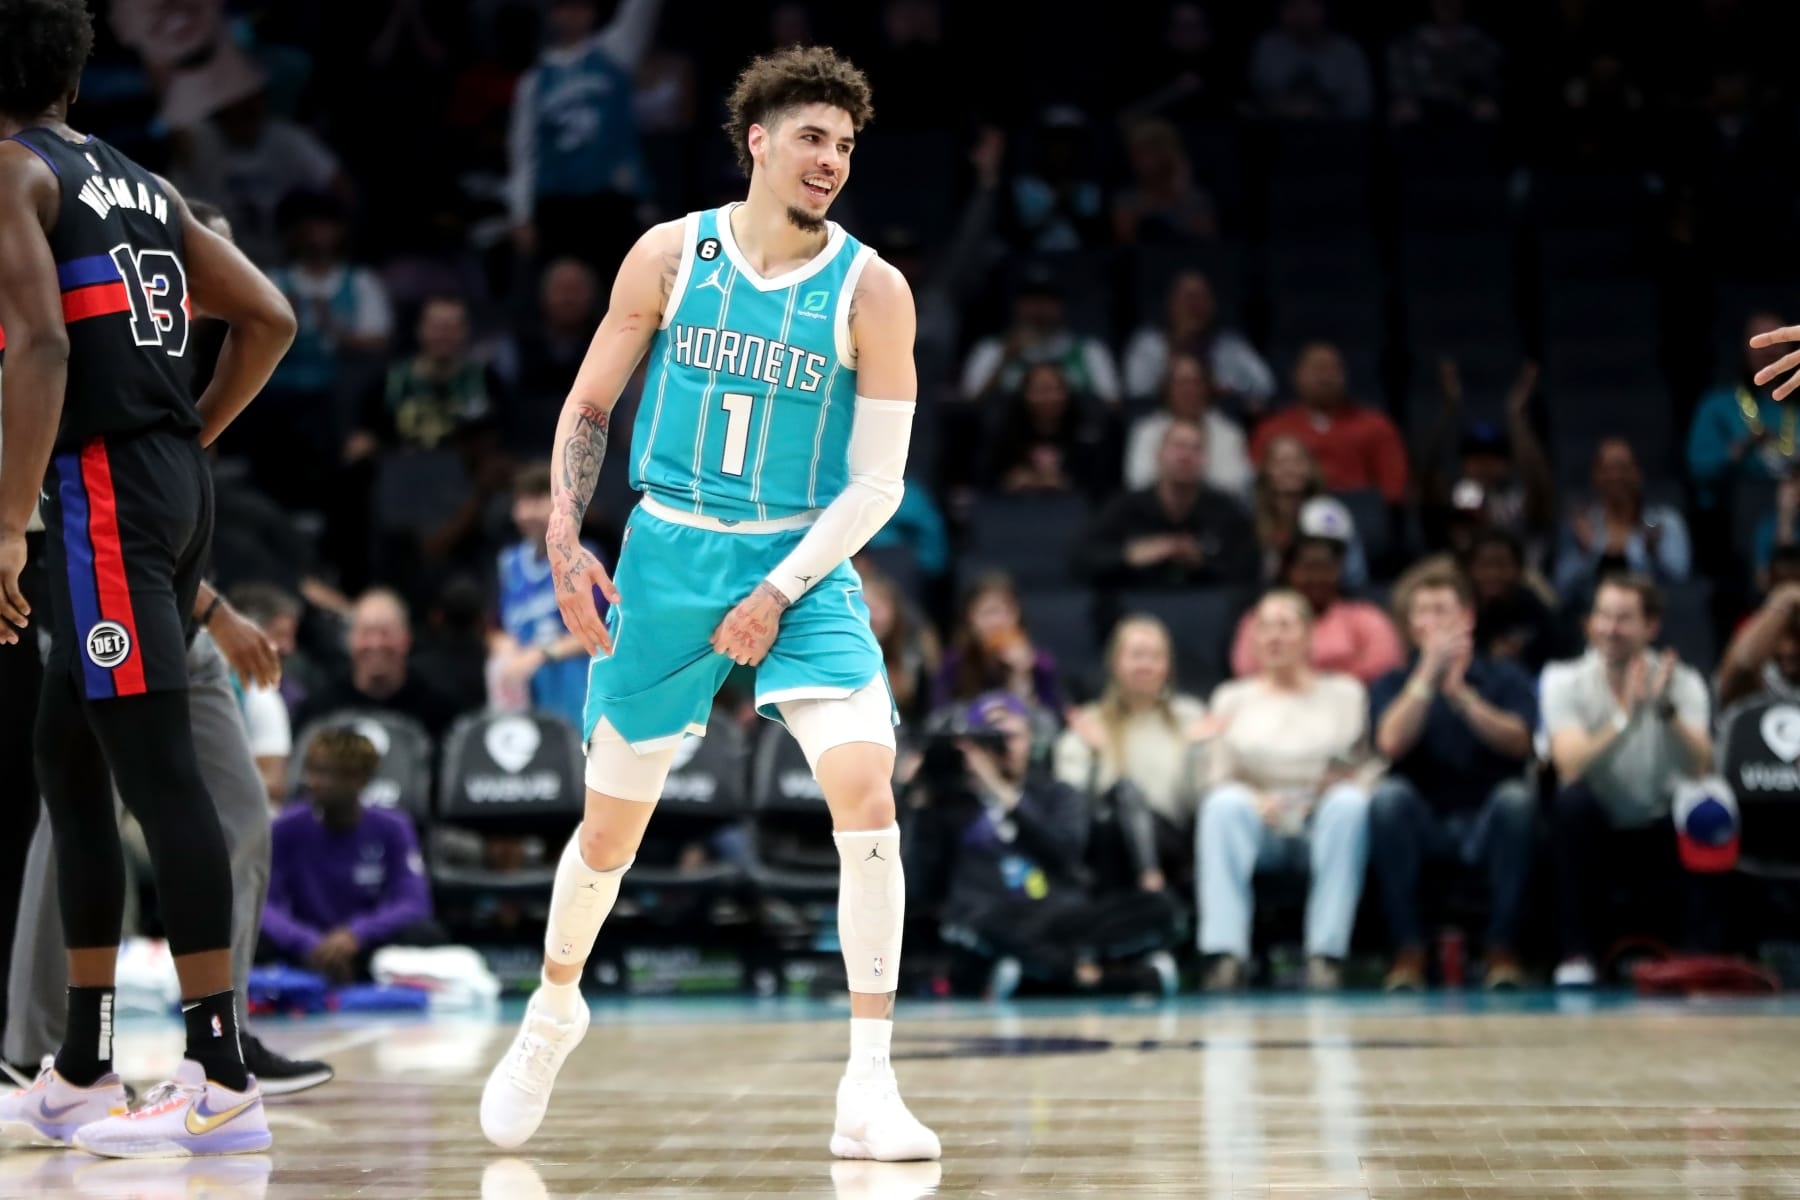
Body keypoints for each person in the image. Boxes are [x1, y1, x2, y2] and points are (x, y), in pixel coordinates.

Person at [478, 46, 939, 1161]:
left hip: (802, 560)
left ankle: (868, 1086)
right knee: (610, 825)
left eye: (846, 143)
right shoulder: (669, 254)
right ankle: (553, 1007)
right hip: (668, 553)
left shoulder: (873, 289)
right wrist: (559, 527)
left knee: (866, 791)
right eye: (813, 137)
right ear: (760, 142)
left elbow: (878, 483)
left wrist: (779, 590)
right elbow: (589, 404)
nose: (831, 159)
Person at [0, 0, 296, 1156]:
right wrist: (189, 438)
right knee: (66, 762)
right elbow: (265, 316)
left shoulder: (12, 173)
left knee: (157, 778)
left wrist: (9, 522)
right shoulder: (137, 181)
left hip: (98, 495)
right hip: (158, 485)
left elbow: (44, 346)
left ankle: (220, 1079)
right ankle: (78, 1065)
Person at [904, 692, 1183, 998]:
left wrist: (1003, 791)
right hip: (992, 920)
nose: (1004, 746)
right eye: (992, 737)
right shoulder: (950, 805)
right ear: (970, 745)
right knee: (971, 927)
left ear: (1031, 740)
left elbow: (1065, 855)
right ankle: (1107, 977)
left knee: (1161, 907)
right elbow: (918, 884)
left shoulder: (1057, 795)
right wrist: (917, 796)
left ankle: (1035, 976)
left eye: (1012, 736)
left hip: (1057, 918)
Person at [1367, 564, 1538, 992]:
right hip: (1424, 822)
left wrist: (1462, 695)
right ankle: (1408, 952)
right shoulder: (1393, 682)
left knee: (1518, 800)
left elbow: (1519, 742)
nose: (1434, 622)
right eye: (1422, 613)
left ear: (1467, 618)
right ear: (1410, 626)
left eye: (1443, 610)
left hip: (1488, 820)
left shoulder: (1505, 677)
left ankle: (1502, 950)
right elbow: (1390, 742)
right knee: (1387, 799)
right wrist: (1427, 676)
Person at [1196, 591, 1373, 991]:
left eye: (1286, 625)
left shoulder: (1346, 694)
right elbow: (1216, 776)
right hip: (1260, 822)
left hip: (1322, 818)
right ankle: (1225, 955)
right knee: (1221, 806)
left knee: (1351, 804)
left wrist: (1335, 790)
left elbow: (1364, 767)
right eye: (1264, 627)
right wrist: (1255, 798)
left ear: (1310, 635)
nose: (1274, 637)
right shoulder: (1232, 697)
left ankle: (1326, 955)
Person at [1541, 575, 1712, 987]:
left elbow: (1704, 764)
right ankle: (1576, 955)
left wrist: (1665, 712)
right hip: (1595, 833)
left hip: (1661, 829)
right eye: (1603, 616)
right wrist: (1626, 717)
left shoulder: (1683, 681)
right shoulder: (1562, 680)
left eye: (1624, 618)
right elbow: (1569, 765)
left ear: (1650, 627)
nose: (1610, 628)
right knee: (1569, 801)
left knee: (1711, 801)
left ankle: (1703, 952)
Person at [261, 728, 441, 983]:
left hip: (366, 946)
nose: (315, 781)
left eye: (327, 773)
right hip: (306, 947)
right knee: (252, 938)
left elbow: (414, 902)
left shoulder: (393, 826)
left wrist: (355, 935)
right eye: (312, 771)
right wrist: (308, 942)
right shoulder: (284, 828)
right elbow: (263, 907)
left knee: (424, 933)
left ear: (360, 779)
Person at [1054, 616, 1208, 881]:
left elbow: (1196, 805)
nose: (1145, 665)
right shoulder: (1089, 723)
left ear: (1168, 666)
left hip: (1174, 840)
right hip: (1109, 844)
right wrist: (1096, 757)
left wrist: (1194, 753)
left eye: (1155, 657)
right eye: (1137, 655)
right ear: (1115, 663)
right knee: (1123, 796)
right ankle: (1149, 878)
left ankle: (1152, 877)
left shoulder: (1191, 718)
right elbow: (1073, 811)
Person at [1075, 418, 1260, 591]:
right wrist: (1131, 555)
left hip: (1207, 606)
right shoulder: (1125, 506)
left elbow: (1250, 567)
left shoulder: (1225, 509)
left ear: (1206, 459)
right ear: (1159, 454)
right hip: (1138, 607)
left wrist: (1202, 560)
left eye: (1195, 448)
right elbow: (1083, 558)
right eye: (1178, 446)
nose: (1185, 456)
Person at [488, 462, 604, 729]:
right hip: (522, 693)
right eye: (521, 502)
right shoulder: (508, 563)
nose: (525, 512)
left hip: (573, 690)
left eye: (536, 500)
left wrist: (540, 654)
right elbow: (494, 629)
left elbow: (598, 631)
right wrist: (505, 647)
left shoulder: (586, 559)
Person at [1228, 533, 1402, 684]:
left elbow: (1386, 663)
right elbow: (1247, 668)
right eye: (1307, 568)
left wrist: (1318, 686)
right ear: (1288, 572)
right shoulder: (1262, 616)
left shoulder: (1365, 616)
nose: (1316, 577)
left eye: (1325, 568)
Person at [1250, 342, 1409, 503]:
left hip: (1359, 515)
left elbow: (1394, 488)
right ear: (1296, 375)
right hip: (1291, 513)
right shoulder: (1273, 429)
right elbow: (1256, 485)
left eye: (1331, 369)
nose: (1324, 377)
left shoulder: (1376, 426)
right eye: (1315, 370)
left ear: (1344, 375)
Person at [1552, 438, 1690, 596]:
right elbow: (1560, 588)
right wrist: (1587, 554)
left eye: (1622, 468)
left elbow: (1681, 585)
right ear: (1595, 476)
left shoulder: (1665, 522)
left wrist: (1654, 557)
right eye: (1607, 469)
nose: (1615, 476)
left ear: (1637, 473)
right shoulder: (1580, 526)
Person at [1121, 352, 1252, 498]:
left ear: (1206, 388)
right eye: (1182, 382)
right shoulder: (1146, 430)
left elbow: (1235, 485)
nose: (1189, 390)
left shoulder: (1230, 433)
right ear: (1167, 388)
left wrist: (1180, 477)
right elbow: (1138, 481)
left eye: (1196, 382)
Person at [932, 572, 1062, 717]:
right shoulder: (953, 662)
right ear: (969, 618)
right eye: (988, 613)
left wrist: (1021, 676)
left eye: (1005, 612)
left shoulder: (1040, 663)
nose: (997, 622)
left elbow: (1051, 721)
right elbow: (940, 718)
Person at [1717, 581, 1800, 709]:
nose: (1789, 650)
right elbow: (1743, 663)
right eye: (1786, 638)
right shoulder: (1758, 678)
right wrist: (1783, 602)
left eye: (1797, 641)